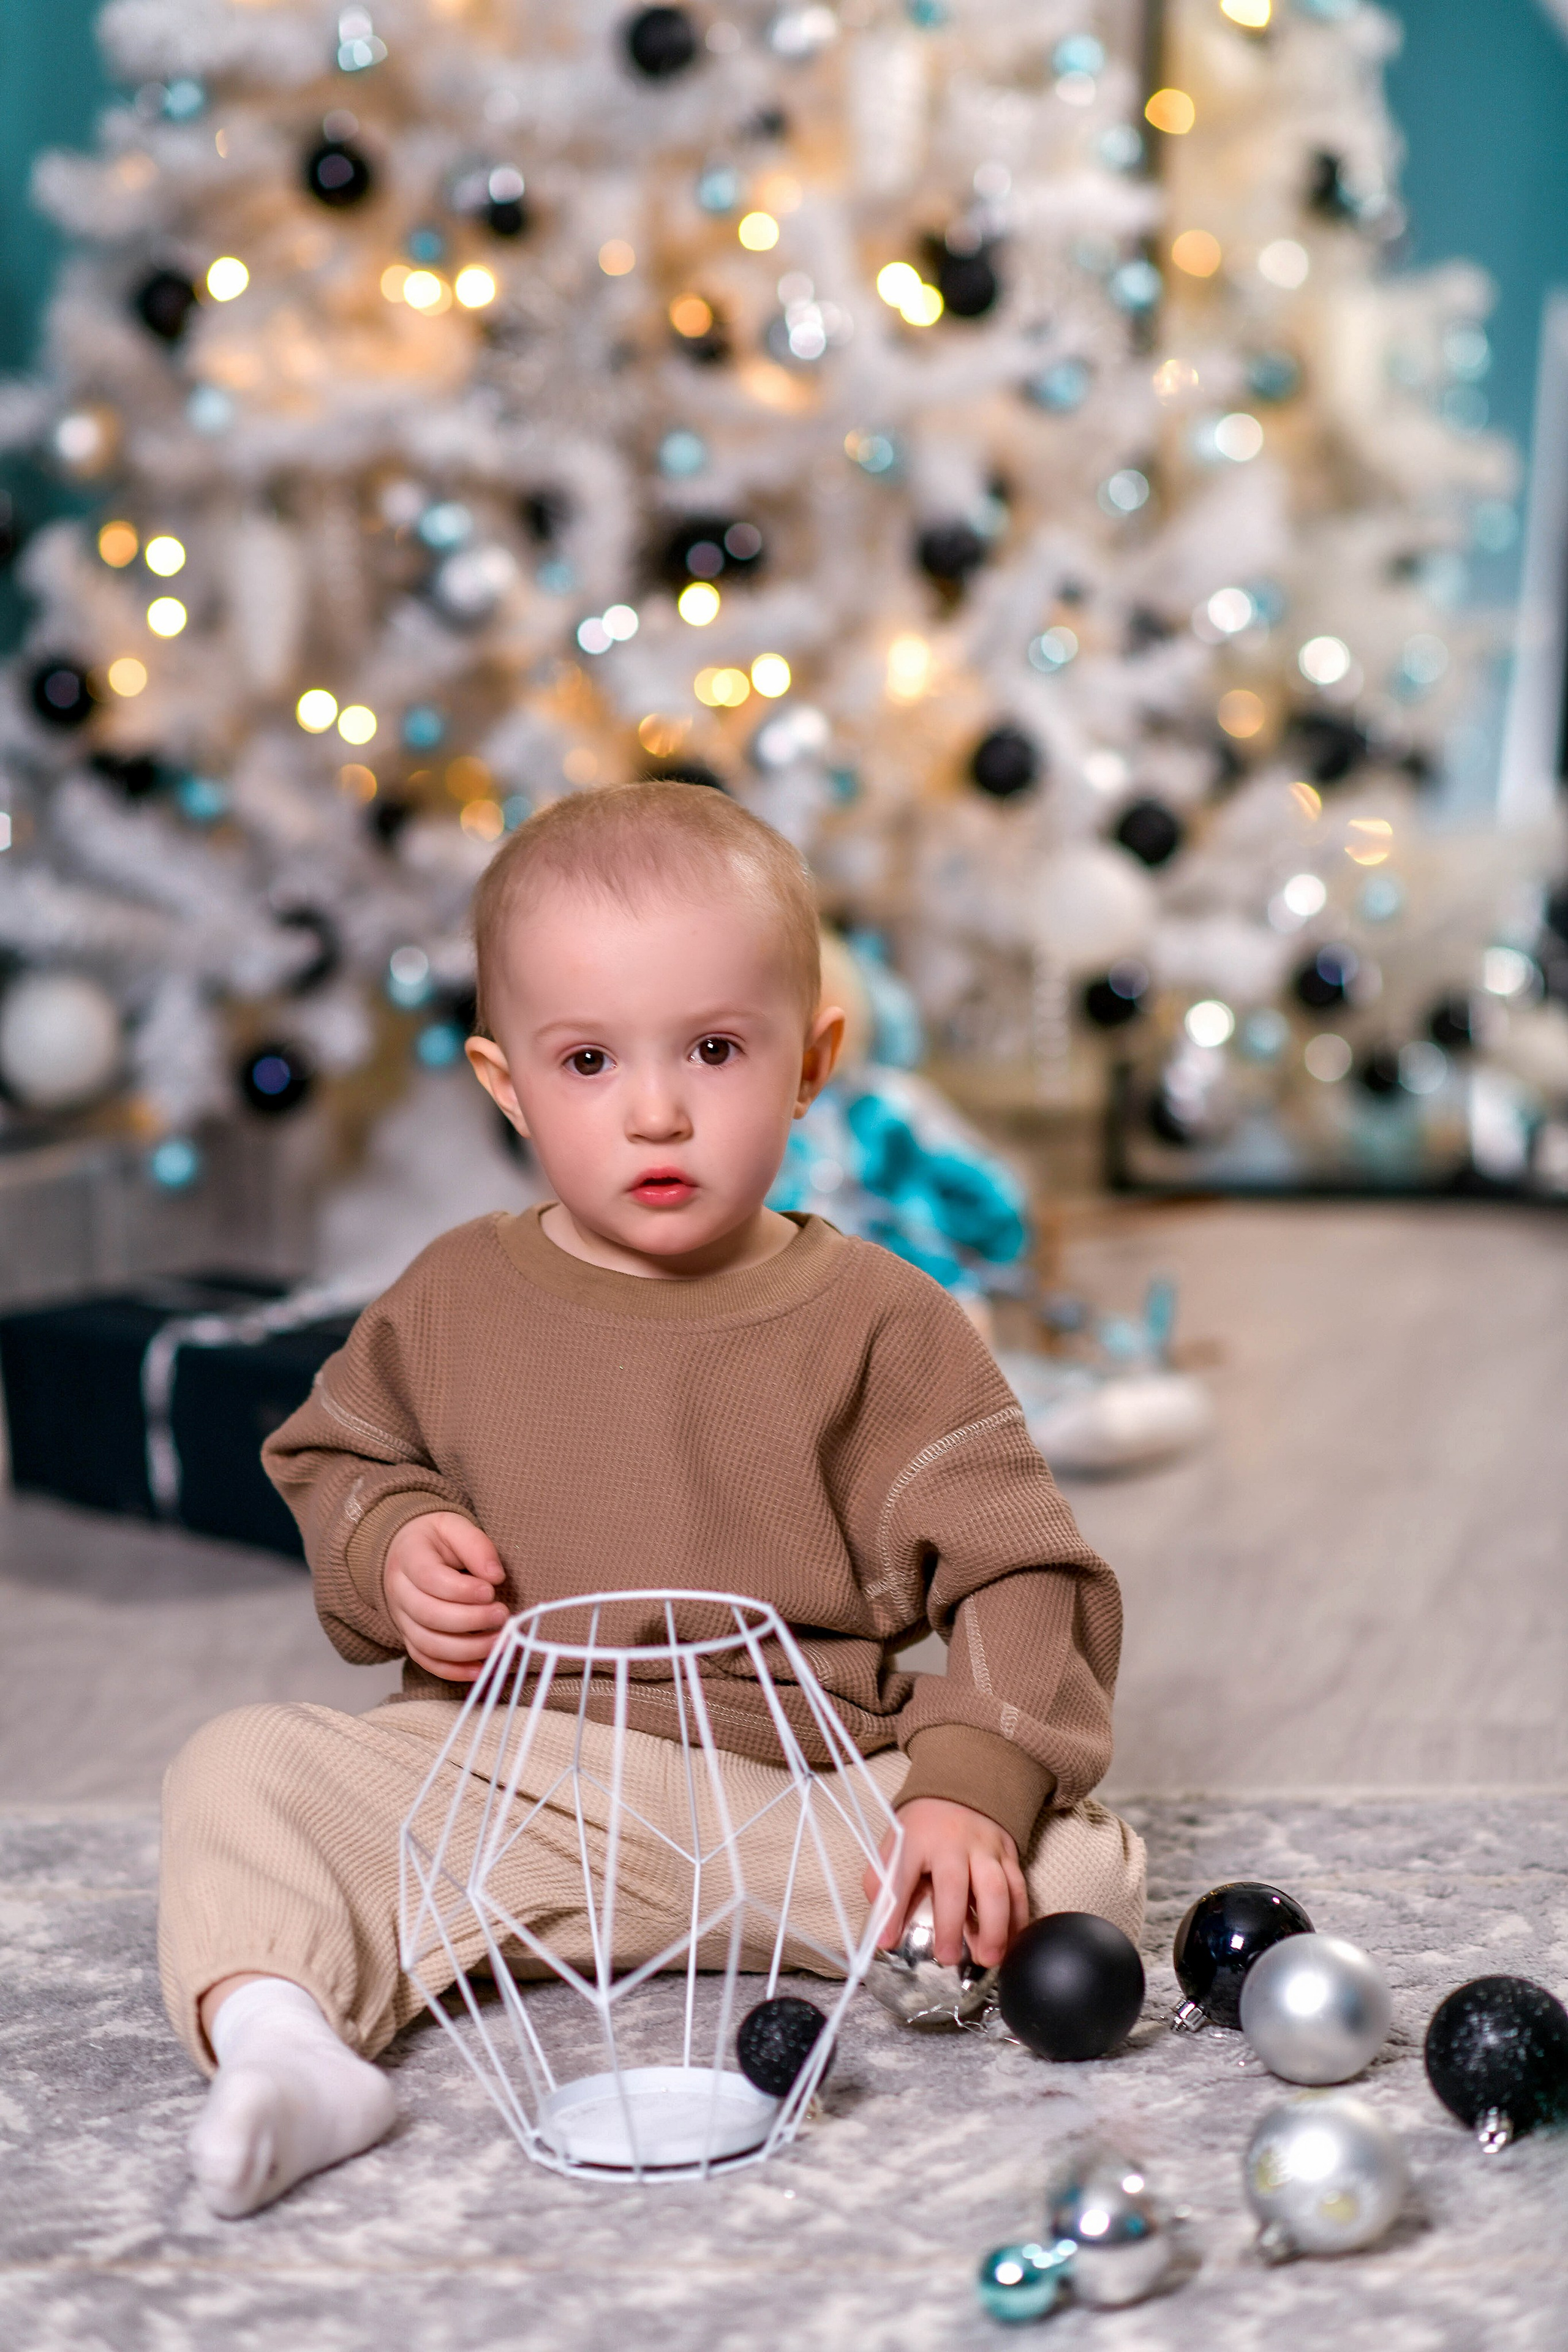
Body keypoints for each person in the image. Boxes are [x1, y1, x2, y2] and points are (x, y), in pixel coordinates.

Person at [159, 780, 1145, 2218]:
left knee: (1076, 1874)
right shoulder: (450, 1299)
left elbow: (1022, 1569)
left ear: (809, 1064)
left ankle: (811, 1919)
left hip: (794, 1791)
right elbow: (337, 1459)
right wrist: (394, 1547)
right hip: (510, 1780)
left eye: (714, 1048)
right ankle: (290, 2050)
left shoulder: (881, 1320)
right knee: (237, 1774)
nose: (658, 1110)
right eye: (587, 1063)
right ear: (505, 1086)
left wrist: (963, 1800)